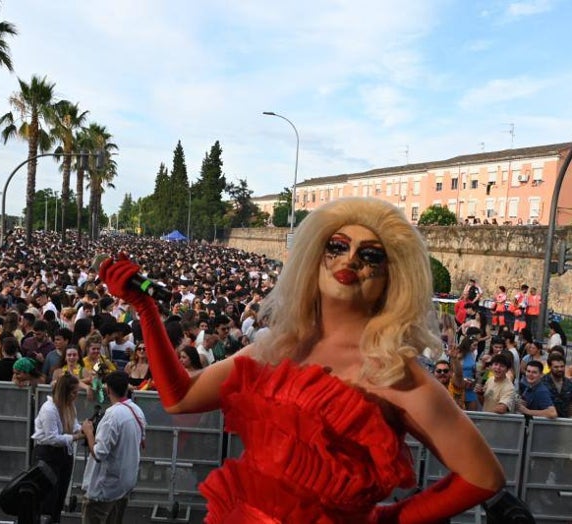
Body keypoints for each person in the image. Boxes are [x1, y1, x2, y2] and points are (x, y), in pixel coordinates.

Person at [99, 197, 508, 522]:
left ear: (392, 277)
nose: (350, 261)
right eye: (337, 247)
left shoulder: (396, 376)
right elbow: (180, 397)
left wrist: (390, 520)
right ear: (314, 258)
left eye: (371, 256)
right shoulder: (275, 349)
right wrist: (146, 310)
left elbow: (483, 476)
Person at [81, 371, 146, 524]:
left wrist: (89, 433)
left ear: (108, 390)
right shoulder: (137, 411)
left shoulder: (112, 416)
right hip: (124, 484)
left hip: (105, 488)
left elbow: (99, 454)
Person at [31, 372, 82, 524]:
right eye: (74, 392)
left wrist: (83, 429)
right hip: (47, 455)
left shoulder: (69, 406)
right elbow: (52, 438)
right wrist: (76, 437)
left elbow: (74, 425)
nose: (76, 395)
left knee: (59, 497)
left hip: (64, 454)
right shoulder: (49, 409)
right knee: (48, 499)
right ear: (65, 392)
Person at [542, 352, 572, 418]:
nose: (560, 369)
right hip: (545, 421)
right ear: (550, 367)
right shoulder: (542, 382)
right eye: (556, 367)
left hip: (564, 422)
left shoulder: (569, 384)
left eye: (562, 366)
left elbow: (570, 404)